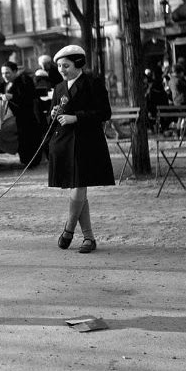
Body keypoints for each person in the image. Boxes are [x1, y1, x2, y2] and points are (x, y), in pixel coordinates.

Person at [49, 45, 115, 254]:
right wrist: (53, 114)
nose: (62, 69)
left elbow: (104, 112)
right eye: (59, 66)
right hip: (65, 143)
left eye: (66, 65)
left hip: (87, 142)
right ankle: (89, 238)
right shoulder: (59, 88)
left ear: (78, 64)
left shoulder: (93, 83)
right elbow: (53, 117)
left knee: (79, 186)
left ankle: (68, 230)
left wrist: (76, 117)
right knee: (79, 188)